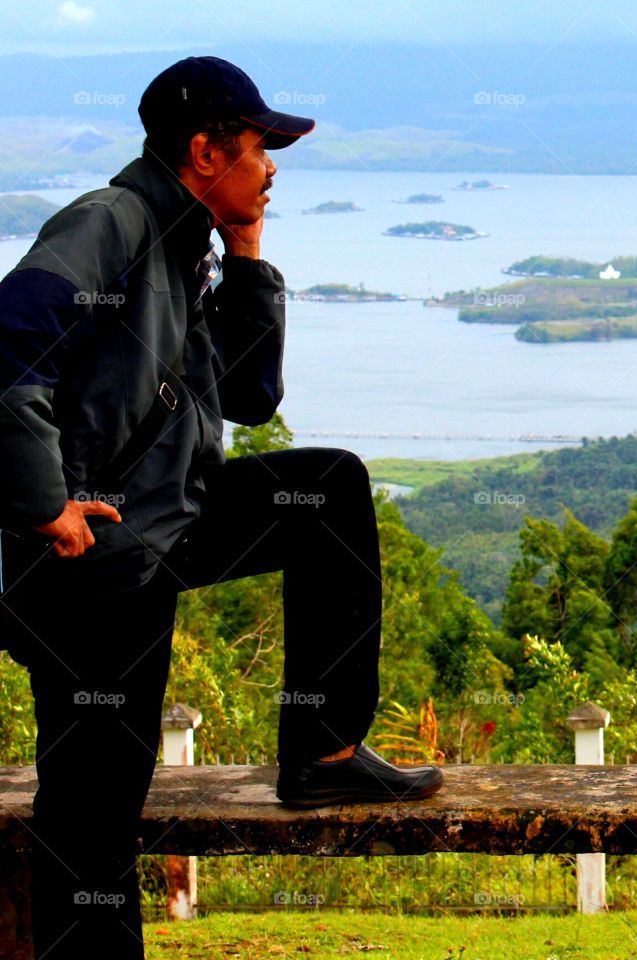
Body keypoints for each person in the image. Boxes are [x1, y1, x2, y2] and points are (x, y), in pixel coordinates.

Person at [0, 56, 442, 958]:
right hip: (93, 559)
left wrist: (246, 259)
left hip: (169, 518)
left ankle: (321, 753)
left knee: (327, 489)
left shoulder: (185, 238)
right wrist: (48, 505)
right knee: (92, 811)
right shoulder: (109, 223)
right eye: (259, 150)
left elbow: (247, 398)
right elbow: (7, 355)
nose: (273, 168)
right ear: (204, 151)